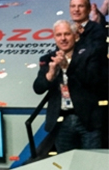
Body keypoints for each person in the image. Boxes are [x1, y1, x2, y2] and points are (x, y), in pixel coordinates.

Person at [32, 20, 108, 151]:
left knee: (90, 161)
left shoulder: (90, 54)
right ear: (54, 37)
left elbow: (93, 81)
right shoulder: (48, 59)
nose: (63, 38)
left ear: (75, 36)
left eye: (67, 34)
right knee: (65, 161)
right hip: (61, 121)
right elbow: (38, 88)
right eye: (59, 35)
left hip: (88, 120)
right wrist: (50, 74)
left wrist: (67, 67)